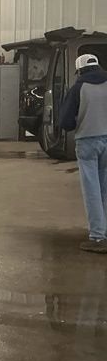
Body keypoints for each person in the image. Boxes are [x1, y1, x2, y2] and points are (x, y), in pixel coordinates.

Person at [61, 53, 107, 253]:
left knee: (92, 191)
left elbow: (66, 122)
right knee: (105, 188)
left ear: (79, 70)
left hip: (87, 141)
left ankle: (97, 237)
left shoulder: (78, 87)